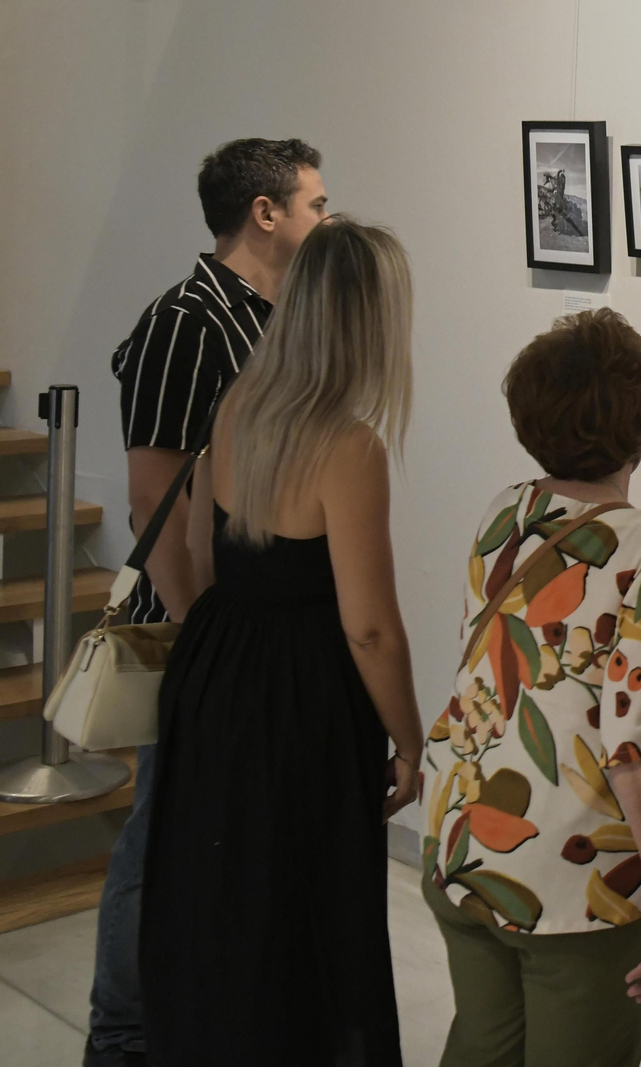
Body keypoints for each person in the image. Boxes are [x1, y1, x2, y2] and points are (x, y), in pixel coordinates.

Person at [139, 217, 421, 1065]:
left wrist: (222, 660)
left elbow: (196, 556)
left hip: (218, 670)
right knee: (306, 911)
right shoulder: (349, 444)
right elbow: (369, 626)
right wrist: (411, 740)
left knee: (218, 898)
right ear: (370, 321)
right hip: (302, 700)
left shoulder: (238, 406)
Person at [94, 136, 326, 1067]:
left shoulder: (276, 314)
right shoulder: (186, 323)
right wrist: (203, 635)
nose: (324, 217)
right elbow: (153, 494)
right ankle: (122, 1035)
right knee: (159, 831)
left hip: (250, 625)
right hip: (201, 625)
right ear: (264, 214)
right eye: (314, 202)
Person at [422, 307, 641, 1067]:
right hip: (578, 882)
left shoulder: (504, 513)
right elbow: (638, 737)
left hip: (463, 839)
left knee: (483, 1047)